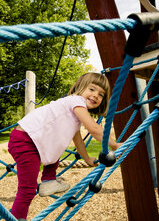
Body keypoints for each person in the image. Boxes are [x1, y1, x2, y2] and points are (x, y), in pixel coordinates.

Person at [8, 72, 121, 221]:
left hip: (33, 140)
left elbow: (78, 140)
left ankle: (49, 181)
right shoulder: (76, 101)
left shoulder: (74, 113)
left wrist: (87, 158)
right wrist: (114, 144)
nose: (95, 96)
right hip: (26, 141)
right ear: (79, 88)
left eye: (101, 94)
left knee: (57, 145)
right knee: (27, 189)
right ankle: (16, 218)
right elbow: (93, 128)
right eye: (92, 89)